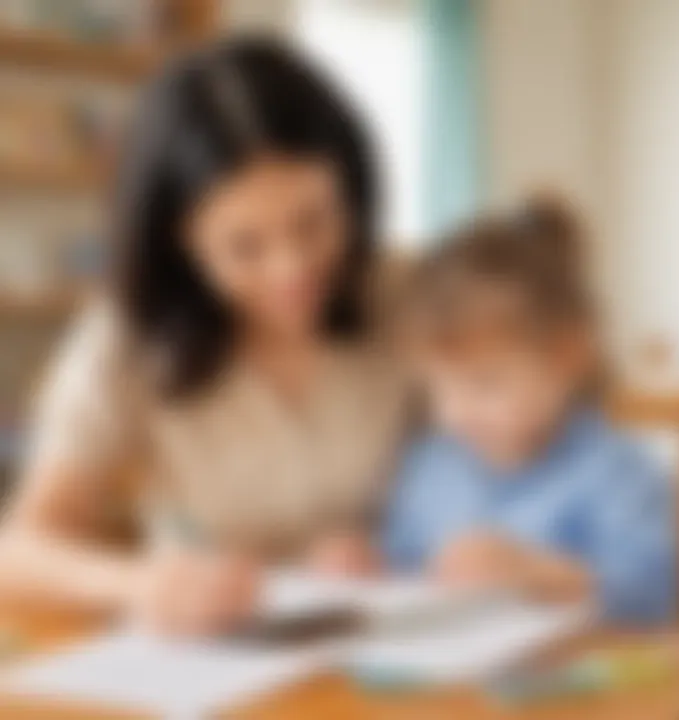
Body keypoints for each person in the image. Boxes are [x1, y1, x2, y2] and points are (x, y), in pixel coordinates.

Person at [0, 38, 406, 636]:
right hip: (215, 665)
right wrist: (139, 583)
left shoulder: (411, 296)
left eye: (313, 222)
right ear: (181, 246)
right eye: (245, 247)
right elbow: (20, 553)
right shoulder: (127, 336)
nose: (290, 269)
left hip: (402, 653)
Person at [384, 201, 677, 625]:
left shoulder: (616, 471)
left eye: (485, 383)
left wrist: (538, 574)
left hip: (581, 684)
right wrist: (360, 567)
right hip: (450, 683)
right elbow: (402, 572)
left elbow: (649, 599)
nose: (456, 413)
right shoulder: (432, 465)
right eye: (437, 389)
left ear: (568, 356)